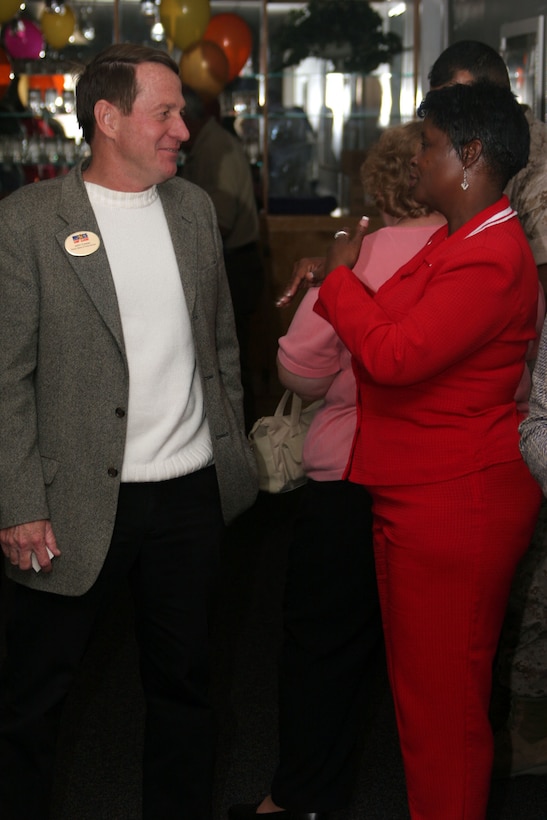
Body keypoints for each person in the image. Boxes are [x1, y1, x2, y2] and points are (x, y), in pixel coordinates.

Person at [0, 43, 257, 820]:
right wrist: (17, 503)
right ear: (107, 119)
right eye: (166, 112)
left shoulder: (193, 210)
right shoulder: (30, 221)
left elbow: (218, 348)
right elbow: (6, 375)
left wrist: (231, 454)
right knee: (31, 702)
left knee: (185, 691)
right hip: (68, 501)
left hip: (186, 496)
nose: (184, 126)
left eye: (180, 110)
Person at [312, 81, 542, 819]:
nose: (416, 159)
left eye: (429, 144)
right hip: (418, 492)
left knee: (443, 716)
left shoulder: (491, 254)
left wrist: (341, 274)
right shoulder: (458, 238)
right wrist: (338, 279)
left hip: (455, 503)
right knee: (424, 708)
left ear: (469, 155)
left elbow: (394, 356)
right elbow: (391, 325)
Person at [229, 121, 446, 820]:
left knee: (322, 645)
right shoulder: (471, 250)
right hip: (436, 479)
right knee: (426, 656)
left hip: (350, 477)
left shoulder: (362, 257)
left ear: (381, 182)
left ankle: (300, 801)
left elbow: (300, 365)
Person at [428, 40, 547, 777]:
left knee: (528, 589)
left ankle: (521, 730)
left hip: (526, 393)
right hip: (477, 402)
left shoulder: (530, 172)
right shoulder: (444, 155)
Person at [178, 85, 264, 431]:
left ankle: (242, 448)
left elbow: (222, 224)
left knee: (231, 364)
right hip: (232, 262)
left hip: (235, 265)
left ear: (191, 118)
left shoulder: (217, 150)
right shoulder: (206, 146)